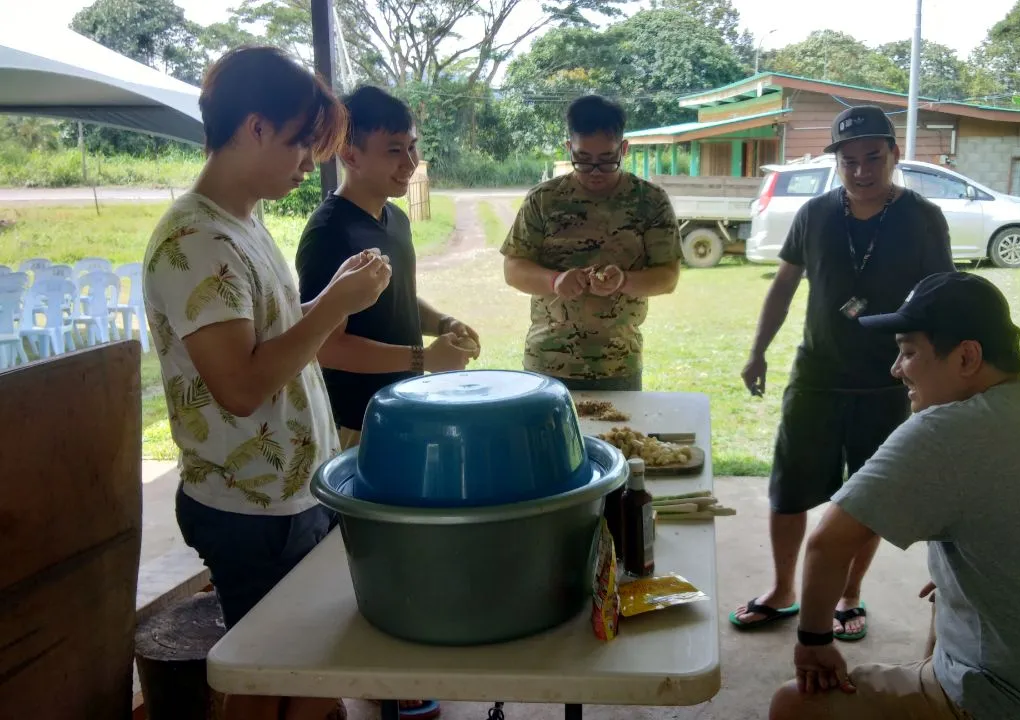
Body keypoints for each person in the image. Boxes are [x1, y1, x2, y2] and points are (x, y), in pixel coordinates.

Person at [770, 271, 1020, 720]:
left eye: (909, 352)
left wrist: (813, 643)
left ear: (967, 357)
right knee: (944, 592)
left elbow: (827, 544)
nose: (896, 370)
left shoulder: (945, 431)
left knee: (793, 704)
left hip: (1019, 704)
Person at [143, 46, 387, 720]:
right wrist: (335, 308)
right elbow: (242, 386)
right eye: (300, 144)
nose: (310, 164)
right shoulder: (195, 241)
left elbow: (272, 342)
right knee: (260, 679)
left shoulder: (241, 223)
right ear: (254, 128)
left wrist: (331, 297)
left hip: (288, 493)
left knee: (306, 671)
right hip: (246, 507)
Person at [732, 106, 955, 640]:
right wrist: (758, 350)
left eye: (873, 157)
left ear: (894, 155)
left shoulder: (923, 218)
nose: (861, 170)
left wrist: (935, 378)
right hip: (816, 375)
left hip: (889, 382)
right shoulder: (814, 214)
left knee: (867, 497)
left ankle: (849, 594)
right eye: (849, 160)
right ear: (837, 164)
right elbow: (784, 285)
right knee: (788, 489)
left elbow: (942, 300)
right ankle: (785, 589)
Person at [298, 84, 478, 451]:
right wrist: (424, 358)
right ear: (350, 155)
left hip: (403, 407)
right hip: (356, 423)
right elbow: (324, 345)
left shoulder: (393, 217)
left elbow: (397, 300)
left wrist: (443, 323)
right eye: (394, 151)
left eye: (412, 147)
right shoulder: (330, 232)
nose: (410, 163)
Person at [500, 94, 681, 391]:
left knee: (616, 439)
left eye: (607, 160)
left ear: (624, 149)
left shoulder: (650, 201)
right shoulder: (544, 199)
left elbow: (668, 277)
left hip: (618, 364)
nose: (595, 172)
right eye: (583, 160)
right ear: (569, 148)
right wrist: (555, 281)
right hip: (547, 363)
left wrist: (623, 281)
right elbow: (513, 268)